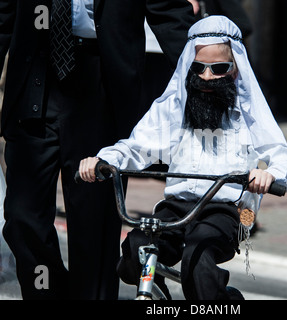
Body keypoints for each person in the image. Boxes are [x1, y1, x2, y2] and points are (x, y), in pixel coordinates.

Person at [79, 15, 287, 300]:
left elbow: (285, 160)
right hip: (175, 209)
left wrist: (270, 174)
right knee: (135, 251)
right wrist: (104, 160)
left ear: (235, 70)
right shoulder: (175, 107)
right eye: (199, 68)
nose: (207, 77)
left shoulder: (248, 113)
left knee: (198, 260)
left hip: (229, 211)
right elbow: (137, 146)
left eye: (218, 68)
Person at [0, 0, 195, 300]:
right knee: (21, 216)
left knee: (94, 229)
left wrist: (202, 72)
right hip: (35, 79)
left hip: (102, 85)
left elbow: (168, 12)